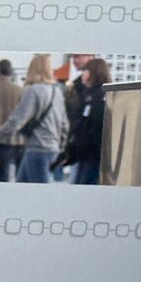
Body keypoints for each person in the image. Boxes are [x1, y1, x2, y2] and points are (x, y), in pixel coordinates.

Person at [0, 53, 67, 182]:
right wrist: (61, 146)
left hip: (37, 149)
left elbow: (17, 119)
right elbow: (64, 124)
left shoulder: (33, 91)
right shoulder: (57, 92)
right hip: (51, 148)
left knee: (39, 197)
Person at [58, 56, 110, 185]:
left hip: (91, 154)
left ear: (93, 73)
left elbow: (91, 126)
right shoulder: (88, 94)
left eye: (86, 71)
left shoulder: (99, 97)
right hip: (84, 154)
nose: (83, 75)